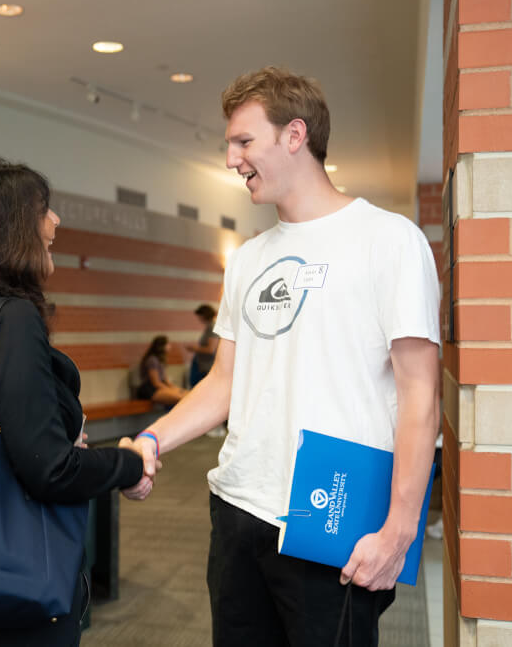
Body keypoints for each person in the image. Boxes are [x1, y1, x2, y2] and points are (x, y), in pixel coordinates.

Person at [120, 67, 440, 645]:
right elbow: (224, 382)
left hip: (333, 517)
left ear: (295, 135)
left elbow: (421, 394)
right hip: (237, 508)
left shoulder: (389, 240)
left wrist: (400, 529)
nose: (231, 160)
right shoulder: (248, 259)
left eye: (244, 141)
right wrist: (151, 440)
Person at [0, 159, 153, 647]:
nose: (55, 221)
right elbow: (48, 468)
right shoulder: (12, 319)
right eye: (44, 210)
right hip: (13, 574)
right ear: (8, 228)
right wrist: (128, 463)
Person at [135, 335, 187, 406]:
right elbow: (155, 382)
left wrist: (177, 389)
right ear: (161, 346)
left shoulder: (160, 360)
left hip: (159, 386)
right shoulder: (152, 360)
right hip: (150, 389)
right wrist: (171, 390)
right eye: (168, 344)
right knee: (180, 398)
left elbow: (166, 380)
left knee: (187, 394)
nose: (170, 346)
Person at [185, 303, 219, 387]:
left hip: (207, 366)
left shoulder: (212, 327)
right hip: (203, 364)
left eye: (199, 316)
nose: (199, 319)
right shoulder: (210, 326)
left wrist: (194, 348)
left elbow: (211, 349)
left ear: (204, 315)